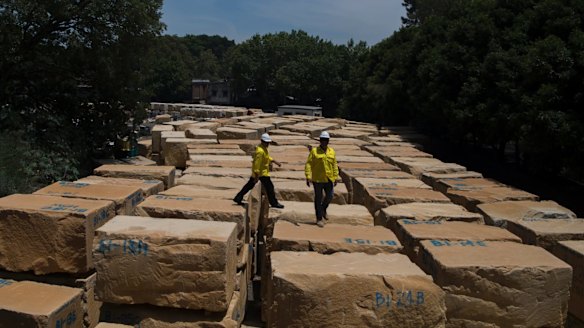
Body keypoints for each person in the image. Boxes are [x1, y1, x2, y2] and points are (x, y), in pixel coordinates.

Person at [233, 133, 285, 208]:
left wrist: (274, 161)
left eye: (268, 142)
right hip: (261, 173)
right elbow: (257, 164)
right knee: (270, 188)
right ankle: (274, 203)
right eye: (266, 142)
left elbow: (266, 157)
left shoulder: (263, 148)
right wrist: (257, 176)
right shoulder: (260, 151)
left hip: (260, 173)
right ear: (262, 141)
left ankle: (238, 198)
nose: (267, 144)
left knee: (249, 186)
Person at [305, 131, 338, 227]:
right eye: (322, 140)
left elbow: (335, 165)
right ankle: (319, 218)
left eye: (326, 140)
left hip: (329, 178)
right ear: (320, 141)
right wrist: (308, 176)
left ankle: (323, 209)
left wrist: (336, 176)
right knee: (318, 198)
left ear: (328, 141)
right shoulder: (314, 151)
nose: (324, 142)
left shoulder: (332, 151)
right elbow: (308, 164)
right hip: (318, 179)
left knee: (330, 196)